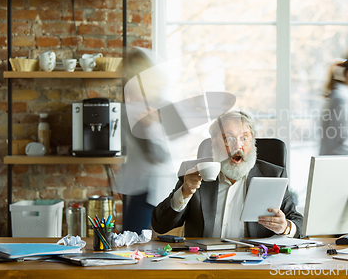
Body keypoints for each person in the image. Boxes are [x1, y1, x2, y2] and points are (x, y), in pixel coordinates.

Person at [151, 110, 303, 238]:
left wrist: (286, 227)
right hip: (203, 265)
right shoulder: (195, 174)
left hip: (255, 263)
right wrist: (184, 192)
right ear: (213, 142)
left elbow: (299, 224)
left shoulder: (273, 175)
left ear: (253, 141)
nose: (238, 146)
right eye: (228, 139)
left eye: (244, 138)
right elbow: (160, 225)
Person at [116, 48, 177, 234]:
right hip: (139, 186)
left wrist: (150, 127)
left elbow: (163, 155)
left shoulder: (161, 106)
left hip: (153, 188)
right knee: (131, 240)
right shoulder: (133, 107)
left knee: (132, 242)